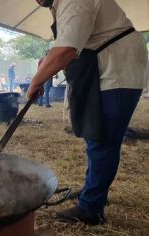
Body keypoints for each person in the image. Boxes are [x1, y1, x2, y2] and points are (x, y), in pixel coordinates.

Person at [28, 0, 148, 225]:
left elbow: (67, 49)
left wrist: (36, 81)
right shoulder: (60, 5)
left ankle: (91, 208)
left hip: (117, 69)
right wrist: (47, 63)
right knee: (96, 136)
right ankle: (92, 190)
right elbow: (68, 42)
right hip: (109, 67)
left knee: (102, 140)